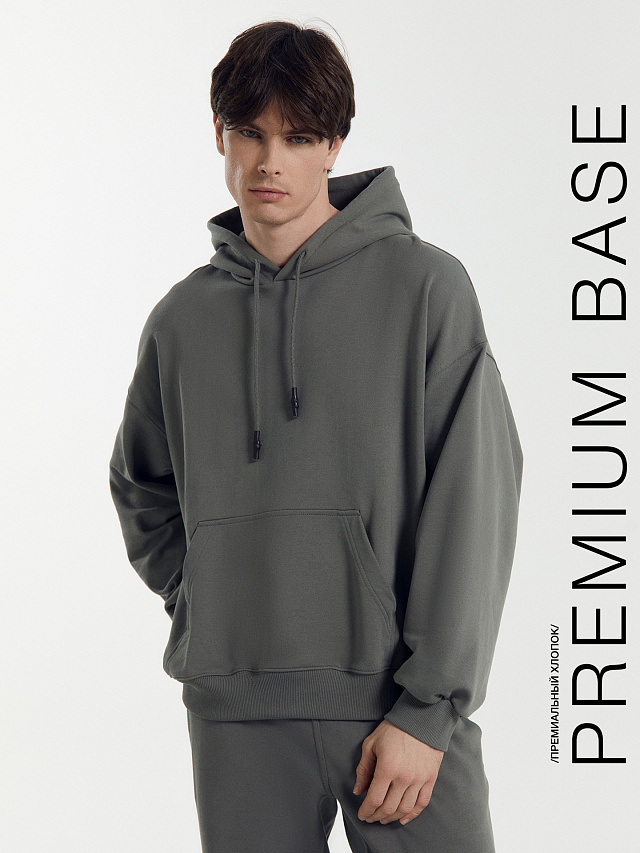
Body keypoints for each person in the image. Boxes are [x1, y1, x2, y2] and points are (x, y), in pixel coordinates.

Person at [109, 19, 523, 853]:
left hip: (396, 709)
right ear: (218, 133)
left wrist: (428, 706)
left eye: (298, 138)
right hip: (236, 715)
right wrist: (208, 595)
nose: (270, 161)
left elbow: (475, 500)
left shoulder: (426, 288)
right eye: (250, 133)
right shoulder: (181, 320)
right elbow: (140, 485)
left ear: (334, 144)